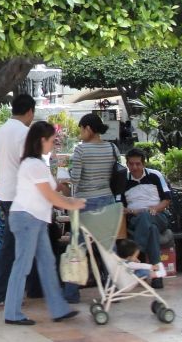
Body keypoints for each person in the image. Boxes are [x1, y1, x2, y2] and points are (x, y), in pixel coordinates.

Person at [3, 121, 85, 326]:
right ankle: (12, 313)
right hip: (27, 219)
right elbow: (50, 195)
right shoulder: (33, 165)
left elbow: (52, 191)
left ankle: (59, 309)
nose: (53, 144)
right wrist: (72, 204)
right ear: (41, 140)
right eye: (51, 140)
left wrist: (68, 198)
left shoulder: (38, 164)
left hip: (36, 219)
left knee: (47, 263)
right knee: (22, 265)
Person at [62, 112, 119, 303]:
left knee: (77, 248)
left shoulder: (81, 151)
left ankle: (71, 292)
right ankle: (115, 288)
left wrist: (68, 171)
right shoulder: (112, 148)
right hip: (107, 200)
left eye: (81, 129)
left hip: (85, 202)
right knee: (109, 246)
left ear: (88, 129)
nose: (80, 133)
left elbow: (75, 179)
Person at [0, 93, 36, 306]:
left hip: (5, 194)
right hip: (21, 196)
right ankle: (6, 294)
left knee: (13, 244)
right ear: (30, 112)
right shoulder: (26, 133)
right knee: (17, 247)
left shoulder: (2, 130)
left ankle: (25, 290)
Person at [121, 148, 170, 288]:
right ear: (127, 164)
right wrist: (132, 211)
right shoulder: (123, 181)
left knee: (148, 217)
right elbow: (120, 207)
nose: (135, 167)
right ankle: (157, 275)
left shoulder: (155, 176)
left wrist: (153, 209)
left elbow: (166, 200)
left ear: (144, 164)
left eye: (138, 164)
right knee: (151, 229)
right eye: (131, 164)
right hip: (135, 219)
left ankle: (135, 253)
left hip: (158, 215)